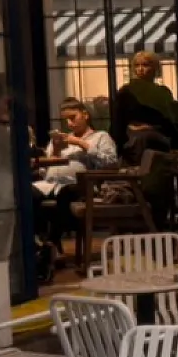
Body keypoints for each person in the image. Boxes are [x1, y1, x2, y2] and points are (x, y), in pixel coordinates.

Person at [32, 99, 119, 254]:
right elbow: (44, 171)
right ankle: (39, 240)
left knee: (66, 194)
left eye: (72, 118)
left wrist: (81, 143)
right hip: (50, 184)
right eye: (66, 120)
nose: (69, 123)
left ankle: (51, 241)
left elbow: (111, 163)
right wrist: (56, 152)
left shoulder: (100, 137)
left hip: (81, 185)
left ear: (85, 115)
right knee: (27, 193)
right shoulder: (60, 139)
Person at [111, 49, 177, 164]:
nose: (140, 69)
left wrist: (153, 128)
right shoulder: (126, 91)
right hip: (132, 136)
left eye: (145, 65)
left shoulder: (163, 92)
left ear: (155, 68)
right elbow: (118, 122)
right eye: (137, 65)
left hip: (159, 134)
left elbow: (171, 120)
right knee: (141, 140)